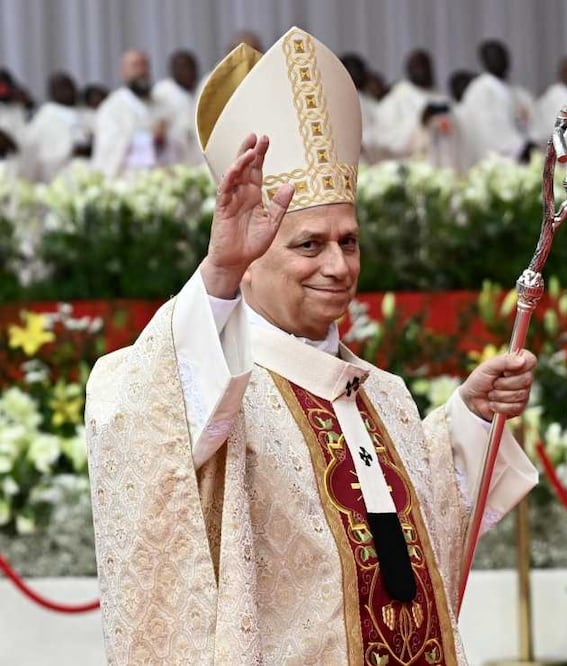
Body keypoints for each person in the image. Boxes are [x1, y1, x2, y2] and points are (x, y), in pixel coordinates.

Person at [85, 27, 538, 664]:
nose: (337, 265)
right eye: (309, 245)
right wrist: (217, 271)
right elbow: (138, 421)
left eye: (348, 241)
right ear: (249, 259)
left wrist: (471, 416)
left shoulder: (384, 395)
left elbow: (414, 539)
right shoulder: (219, 393)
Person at [375, 49, 461, 170]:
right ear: (408, 70)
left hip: (444, 167)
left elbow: (457, 137)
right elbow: (386, 142)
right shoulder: (395, 100)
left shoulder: (442, 98)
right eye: (418, 67)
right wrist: (421, 121)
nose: (423, 71)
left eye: (426, 66)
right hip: (411, 169)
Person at [90, 50, 169, 177]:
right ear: (123, 72)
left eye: (144, 65)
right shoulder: (112, 108)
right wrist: (149, 139)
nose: (141, 71)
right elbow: (110, 148)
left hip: (159, 176)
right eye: (135, 66)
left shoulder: (159, 104)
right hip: (127, 178)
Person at [457, 40, 535, 166]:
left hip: (523, 157)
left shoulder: (518, 92)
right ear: (484, 61)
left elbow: (530, 120)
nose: (500, 60)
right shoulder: (479, 90)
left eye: (503, 55)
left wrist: (531, 141)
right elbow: (486, 128)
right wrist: (519, 146)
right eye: (494, 56)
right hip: (497, 159)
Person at [23, 72, 92, 182]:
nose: (70, 91)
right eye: (63, 87)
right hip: (59, 180)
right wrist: (71, 151)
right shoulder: (43, 120)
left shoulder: (87, 113)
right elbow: (37, 157)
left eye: (71, 86)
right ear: (52, 92)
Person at [152, 50, 202, 165]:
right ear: (173, 70)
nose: (188, 72)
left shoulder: (200, 90)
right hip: (173, 157)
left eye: (191, 67)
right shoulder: (162, 91)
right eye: (183, 68)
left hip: (195, 154)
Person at [341, 52, 384, 162]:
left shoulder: (367, 99)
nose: (359, 74)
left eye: (360, 70)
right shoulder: (341, 99)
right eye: (354, 70)